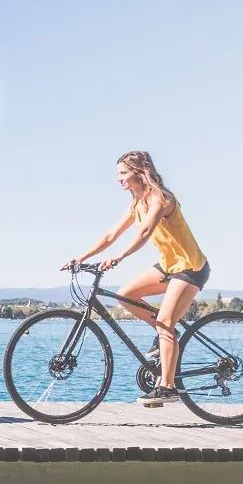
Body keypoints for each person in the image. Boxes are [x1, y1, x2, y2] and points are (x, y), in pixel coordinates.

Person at [64, 151, 210, 407]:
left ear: (139, 171)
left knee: (165, 322)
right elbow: (111, 234)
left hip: (190, 267)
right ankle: (166, 333)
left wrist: (119, 257)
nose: (118, 179)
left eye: (122, 173)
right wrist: (81, 257)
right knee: (127, 295)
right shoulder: (136, 202)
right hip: (168, 266)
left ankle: (167, 387)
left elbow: (145, 230)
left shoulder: (160, 198)